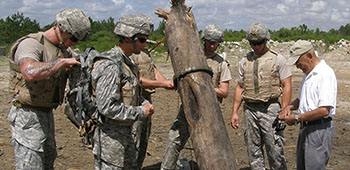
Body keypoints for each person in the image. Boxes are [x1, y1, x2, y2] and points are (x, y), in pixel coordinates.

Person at [7, 8, 90, 169]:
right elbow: (29, 72)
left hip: (46, 113)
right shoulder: (32, 44)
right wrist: (61, 63)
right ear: (61, 28)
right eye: (73, 38)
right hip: (27, 114)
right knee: (31, 164)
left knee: (47, 159)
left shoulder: (64, 49)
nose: (73, 43)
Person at [161, 24, 232, 170]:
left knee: (212, 144)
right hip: (189, 105)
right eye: (209, 42)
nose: (212, 46)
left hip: (211, 110)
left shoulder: (221, 64)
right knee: (175, 138)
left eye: (215, 43)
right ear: (204, 40)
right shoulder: (192, 58)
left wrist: (204, 88)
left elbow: (224, 91)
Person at [91, 14, 155, 170]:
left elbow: (133, 94)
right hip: (110, 142)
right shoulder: (110, 65)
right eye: (142, 40)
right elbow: (107, 107)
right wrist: (140, 111)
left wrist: (143, 102)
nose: (144, 45)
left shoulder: (128, 63)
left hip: (126, 136)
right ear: (128, 37)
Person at [230, 22, 292, 170]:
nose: (256, 46)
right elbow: (239, 86)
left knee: (275, 150)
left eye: (259, 43)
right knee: (253, 150)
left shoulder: (278, 59)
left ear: (266, 41)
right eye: (253, 43)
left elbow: (286, 84)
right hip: (250, 109)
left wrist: (284, 109)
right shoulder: (244, 61)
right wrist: (234, 112)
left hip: (270, 109)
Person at [281, 40, 337, 170]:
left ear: (309, 56)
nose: (297, 66)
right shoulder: (308, 74)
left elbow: (324, 110)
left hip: (319, 128)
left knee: (314, 167)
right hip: (306, 127)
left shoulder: (325, 74)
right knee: (302, 165)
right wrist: (289, 107)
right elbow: (302, 99)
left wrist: (296, 118)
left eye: (298, 62)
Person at [131, 49, 175, 169]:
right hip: (133, 101)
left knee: (143, 139)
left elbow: (154, 71)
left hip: (146, 99)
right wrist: (162, 84)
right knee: (133, 141)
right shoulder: (128, 53)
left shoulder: (144, 53)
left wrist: (168, 82)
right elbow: (134, 79)